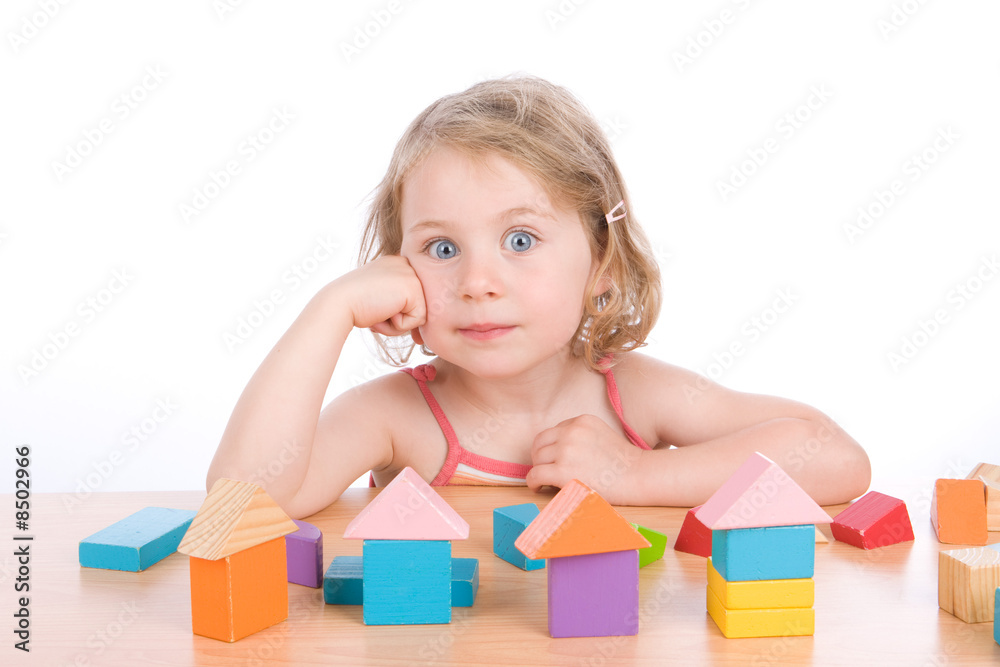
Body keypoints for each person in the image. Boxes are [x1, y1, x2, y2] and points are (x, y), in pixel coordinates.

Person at [207, 76, 870, 519]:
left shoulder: (635, 396)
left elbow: (835, 457)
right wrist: (330, 310)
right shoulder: (395, 417)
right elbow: (242, 505)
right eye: (442, 248)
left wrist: (635, 476)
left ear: (601, 263)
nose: (477, 282)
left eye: (520, 240)